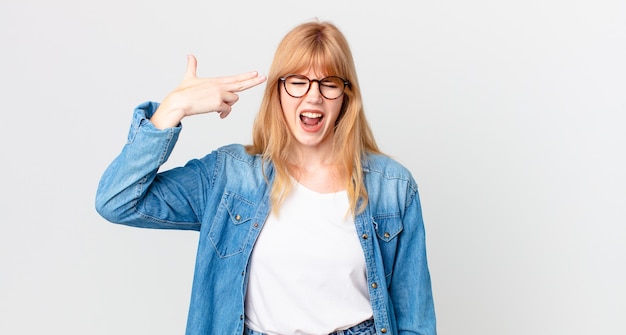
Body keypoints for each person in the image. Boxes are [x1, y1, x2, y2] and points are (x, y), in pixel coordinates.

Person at [95, 20, 436, 335]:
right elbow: (117, 201)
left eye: (328, 83)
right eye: (298, 82)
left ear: (346, 95)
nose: (313, 96)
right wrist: (173, 109)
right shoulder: (229, 177)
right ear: (277, 91)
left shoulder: (392, 187)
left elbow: (415, 320)